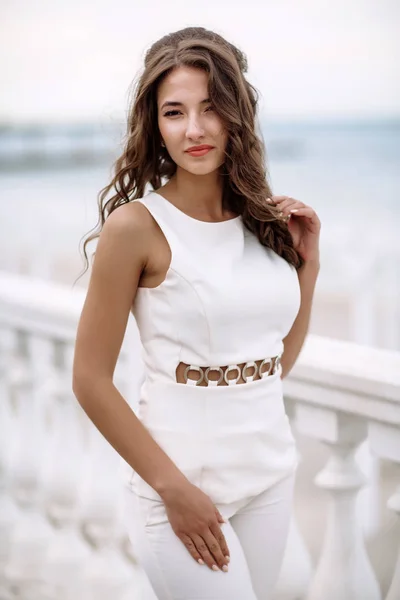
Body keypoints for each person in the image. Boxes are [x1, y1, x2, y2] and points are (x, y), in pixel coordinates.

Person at [73, 26, 321, 600]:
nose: (194, 130)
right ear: (155, 125)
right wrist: (171, 489)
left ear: (237, 113)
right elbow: (89, 379)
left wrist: (308, 265)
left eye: (210, 108)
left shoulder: (263, 222)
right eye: (174, 112)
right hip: (179, 489)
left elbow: (274, 362)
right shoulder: (136, 227)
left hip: (269, 475)